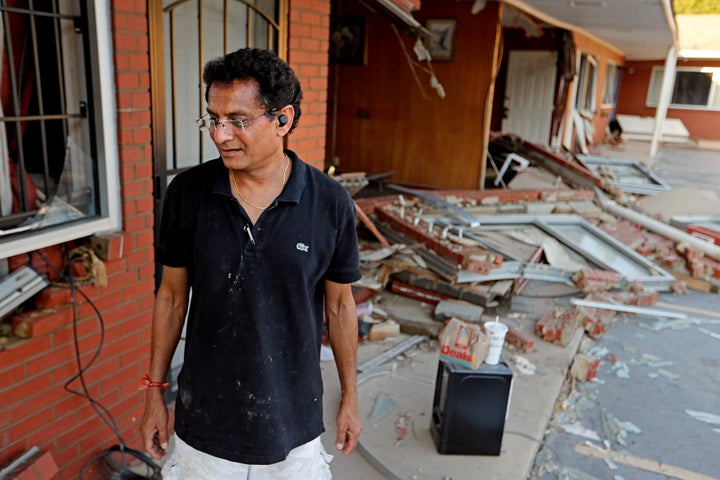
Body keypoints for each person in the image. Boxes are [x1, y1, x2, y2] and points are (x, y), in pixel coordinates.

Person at [140, 47, 362, 479]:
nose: (221, 134)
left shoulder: (330, 203)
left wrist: (350, 396)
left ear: (283, 119)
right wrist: (154, 392)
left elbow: (339, 307)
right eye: (213, 118)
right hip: (203, 430)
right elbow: (170, 299)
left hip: (293, 432)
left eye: (238, 121)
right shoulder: (188, 194)